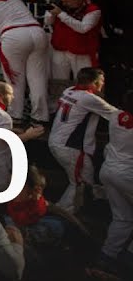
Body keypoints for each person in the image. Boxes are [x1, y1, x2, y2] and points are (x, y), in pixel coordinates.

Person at [47, 67, 120, 213]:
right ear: (94, 82)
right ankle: (63, 213)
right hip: (70, 147)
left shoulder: (69, 91)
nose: (103, 84)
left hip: (58, 141)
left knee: (85, 178)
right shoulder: (90, 98)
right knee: (80, 183)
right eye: (101, 81)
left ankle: (91, 202)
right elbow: (118, 116)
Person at [99, 106, 133, 268]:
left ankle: (107, 255)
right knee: (123, 217)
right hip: (127, 176)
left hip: (108, 169)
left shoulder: (116, 115)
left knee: (123, 217)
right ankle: (129, 257)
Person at [45, 0, 102, 80]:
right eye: (62, 1)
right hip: (60, 49)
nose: (64, 4)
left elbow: (83, 28)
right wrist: (51, 13)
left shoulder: (93, 10)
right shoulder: (61, 7)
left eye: (67, 1)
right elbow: (48, 22)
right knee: (59, 82)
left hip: (82, 52)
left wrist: (61, 14)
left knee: (84, 82)